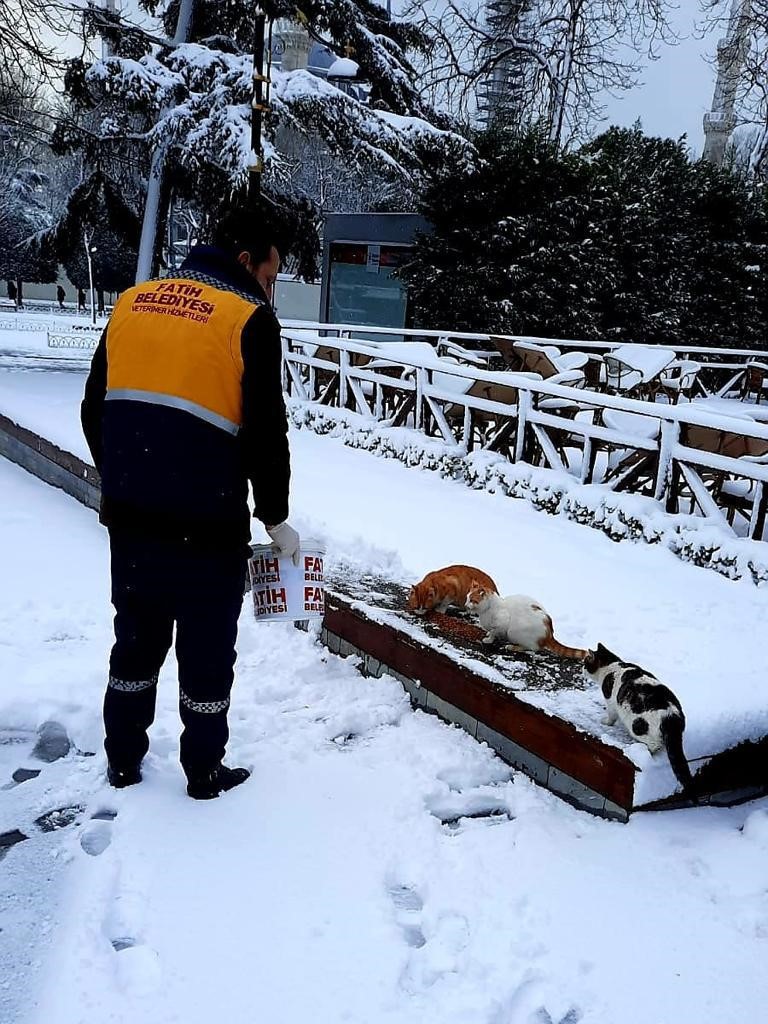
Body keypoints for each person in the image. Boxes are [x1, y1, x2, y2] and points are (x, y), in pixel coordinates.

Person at [81, 208, 299, 800]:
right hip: (207, 526)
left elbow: (93, 408)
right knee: (205, 653)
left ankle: (122, 760)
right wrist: (275, 516)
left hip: (131, 525)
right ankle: (203, 772)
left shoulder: (132, 302)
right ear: (245, 261)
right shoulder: (249, 318)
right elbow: (264, 432)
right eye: (272, 272)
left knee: (135, 640)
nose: (271, 286)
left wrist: (129, 479)